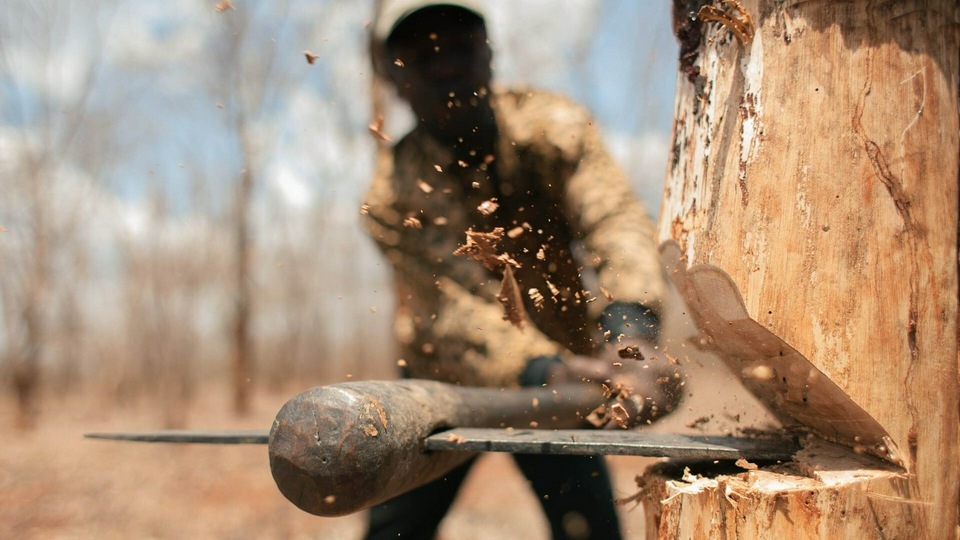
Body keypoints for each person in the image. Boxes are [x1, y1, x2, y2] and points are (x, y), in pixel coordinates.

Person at [363, 2, 681, 538]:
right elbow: (454, 311)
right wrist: (548, 371)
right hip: (442, 386)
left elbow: (613, 221)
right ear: (395, 77)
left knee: (589, 528)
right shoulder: (391, 197)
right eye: (421, 56)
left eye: (460, 47)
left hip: (568, 381)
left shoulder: (552, 128)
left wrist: (631, 336)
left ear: (489, 54)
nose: (444, 66)